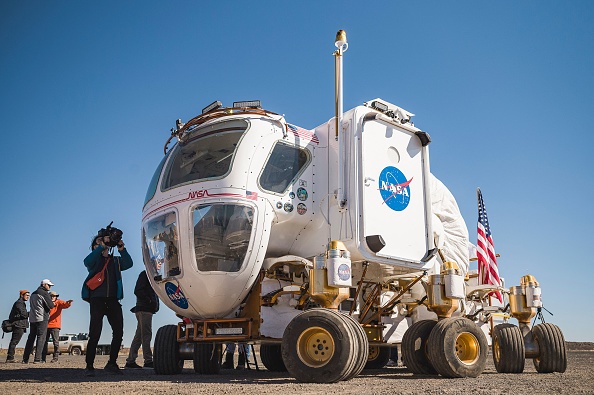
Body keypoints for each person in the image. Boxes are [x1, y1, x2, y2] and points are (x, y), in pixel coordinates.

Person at [82, 230, 133, 376]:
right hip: (97, 300)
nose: (102, 243)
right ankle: (89, 365)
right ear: (94, 247)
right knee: (95, 333)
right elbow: (87, 261)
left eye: (103, 241)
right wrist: (100, 245)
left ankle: (112, 363)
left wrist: (121, 248)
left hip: (113, 300)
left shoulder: (115, 261)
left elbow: (129, 263)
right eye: (98, 242)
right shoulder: (94, 261)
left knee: (118, 332)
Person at [125, 268, 159, 369]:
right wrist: (149, 301)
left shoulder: (150, 275)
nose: (160, 263)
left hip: (145, 309)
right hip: (144, 309)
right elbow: (138, 290)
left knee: (139, 336)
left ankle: (130, 361)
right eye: (157, 262)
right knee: (146, 335)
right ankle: (148, 360)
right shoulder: (146, 274)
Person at [23, 279, 55, 364]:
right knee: (41, 337)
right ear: (44, 285)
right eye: (49, 285)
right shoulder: (44, 293)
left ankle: (25, 359)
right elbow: (51, 306)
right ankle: (37, 359)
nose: (50, 287)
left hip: (33, 318)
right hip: (42, 318)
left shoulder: (33, 293)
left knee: (31, 338)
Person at [42, 291, 73, 363]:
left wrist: (68, 303)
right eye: (51, 296)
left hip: (55, 326)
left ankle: (55, 358)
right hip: (46, 325)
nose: (53, 297)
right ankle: (43, 358)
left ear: (56, 297)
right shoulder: (45, 303)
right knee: (44, 342)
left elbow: (65, 305)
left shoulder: (59, 302)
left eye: (54, 296)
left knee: (55, 342)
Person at [6, 290, 30, 363]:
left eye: (29, 296)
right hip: (19, 325)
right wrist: (31, 313)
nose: (28, 297)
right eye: (27, 295)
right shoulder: (19, 303)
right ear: (21, 295)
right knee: (14, 341)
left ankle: (10, 357)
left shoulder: (21, 303)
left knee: (14, 341)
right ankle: (10, 358)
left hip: (20, 324)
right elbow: (24, 314)